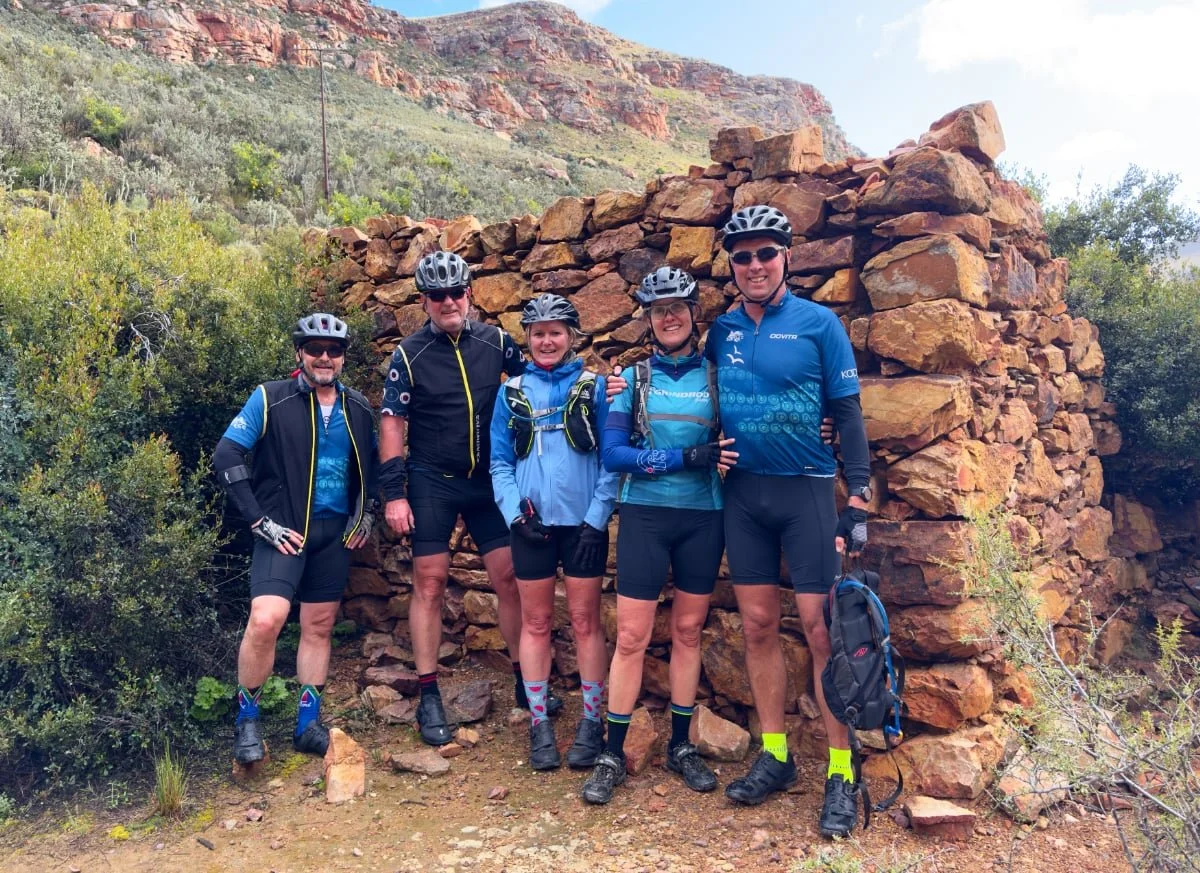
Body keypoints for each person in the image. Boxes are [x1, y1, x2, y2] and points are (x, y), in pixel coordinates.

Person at [705, 205, 873, 838]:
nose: (754, 265)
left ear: (786, 258)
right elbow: (695, 395)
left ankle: (840, 769)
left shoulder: (819, 323)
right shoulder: (720, 331)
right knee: (755, 626)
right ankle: (775, 755)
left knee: (820, 629)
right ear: (732, 264)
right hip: (744, 495)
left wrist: (858, 499)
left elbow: (847, 413)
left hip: (806, 491)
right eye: (742, 256)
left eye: (765, 253)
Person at [378, 251, 560, 747]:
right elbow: (392, 424)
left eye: (455, 292)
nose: (448, 302)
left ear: (470, 295)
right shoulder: (408, 355)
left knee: (509, 577)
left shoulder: (496, 342)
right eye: (437, 295)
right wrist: (394, 495)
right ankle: (429, 694)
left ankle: (526, 681)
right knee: (430, 582)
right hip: (432, 479)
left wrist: (603, 389)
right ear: (424, 302)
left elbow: (539, 379)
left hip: (487, 482)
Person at [580, 267, 737, 805]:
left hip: (703, 517)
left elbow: (752, 424)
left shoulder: (715, 376)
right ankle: (612, 753)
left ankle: (680, 745)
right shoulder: (632, 379)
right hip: (645, 515)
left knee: (688, 632)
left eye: (677, 308)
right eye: (658, 310)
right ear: (648, 319)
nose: (669, 317)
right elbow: (614, 454)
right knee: (631, 637)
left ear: (694, 314)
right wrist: (685, 457)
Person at [214, 313, 378, 765]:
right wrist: (258, 521)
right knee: (266, 620)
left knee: (319, 626)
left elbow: (372, 468)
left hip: (334, 535)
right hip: (283, 531)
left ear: (343, 357)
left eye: (334, 350)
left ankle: (307, 726)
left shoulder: (358, 407)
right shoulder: (270, 397)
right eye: (315, 349)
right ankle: (247, 721)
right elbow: (227, 454)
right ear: (299, 353)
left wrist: (366, 514)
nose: (325, 357)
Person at [489, 293, 618, 771]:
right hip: (532, 526)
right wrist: (514, 515)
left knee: (585, 621)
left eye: (555, 333)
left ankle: (591, 720)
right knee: (536, 622)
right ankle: (539, 721)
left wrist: (597, 518)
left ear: (571, 337)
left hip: (583, 526)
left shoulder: (594, 388)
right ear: (527, 338)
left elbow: (611, 458)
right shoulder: (511, 392)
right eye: (538, 333)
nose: (547, 341)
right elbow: (500, 462)